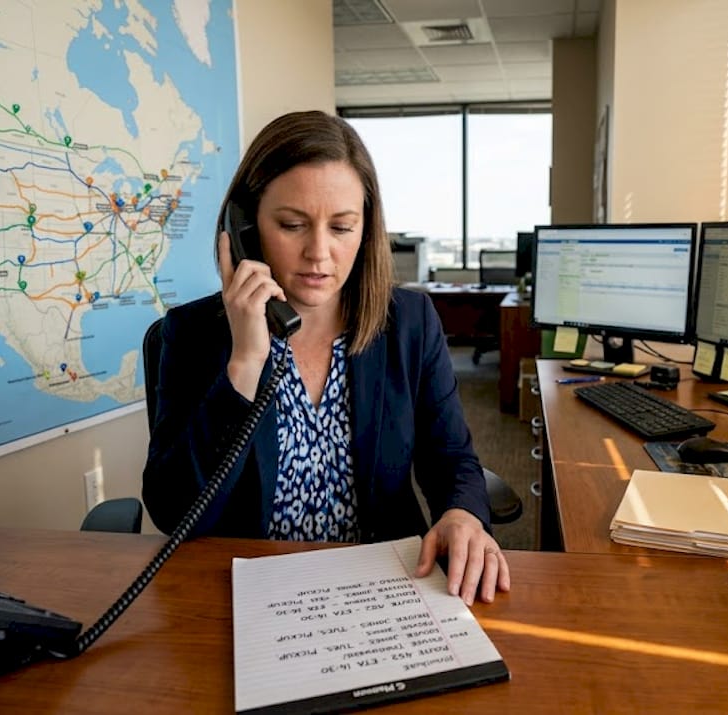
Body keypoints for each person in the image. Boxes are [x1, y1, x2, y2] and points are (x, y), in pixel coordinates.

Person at [142, 110, 510, 604]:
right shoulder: (191, 334)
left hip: (382, 590)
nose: (319, 253)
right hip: (246, 596)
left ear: (366, 229)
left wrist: (462, 513)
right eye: (292, 225)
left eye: (341, 228)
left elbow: (452, 459)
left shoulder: (409, 323)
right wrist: (246, 363)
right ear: (245, 227)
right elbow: (173, 511)